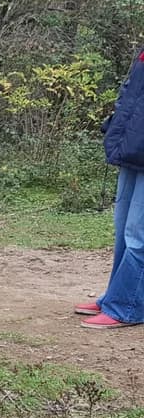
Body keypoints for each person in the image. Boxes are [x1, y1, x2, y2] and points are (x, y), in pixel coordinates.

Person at [77, 48, 144, 329]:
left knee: (138, 232)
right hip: (133, 146)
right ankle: (117, 296)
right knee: (122, 227)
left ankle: (127, 306)